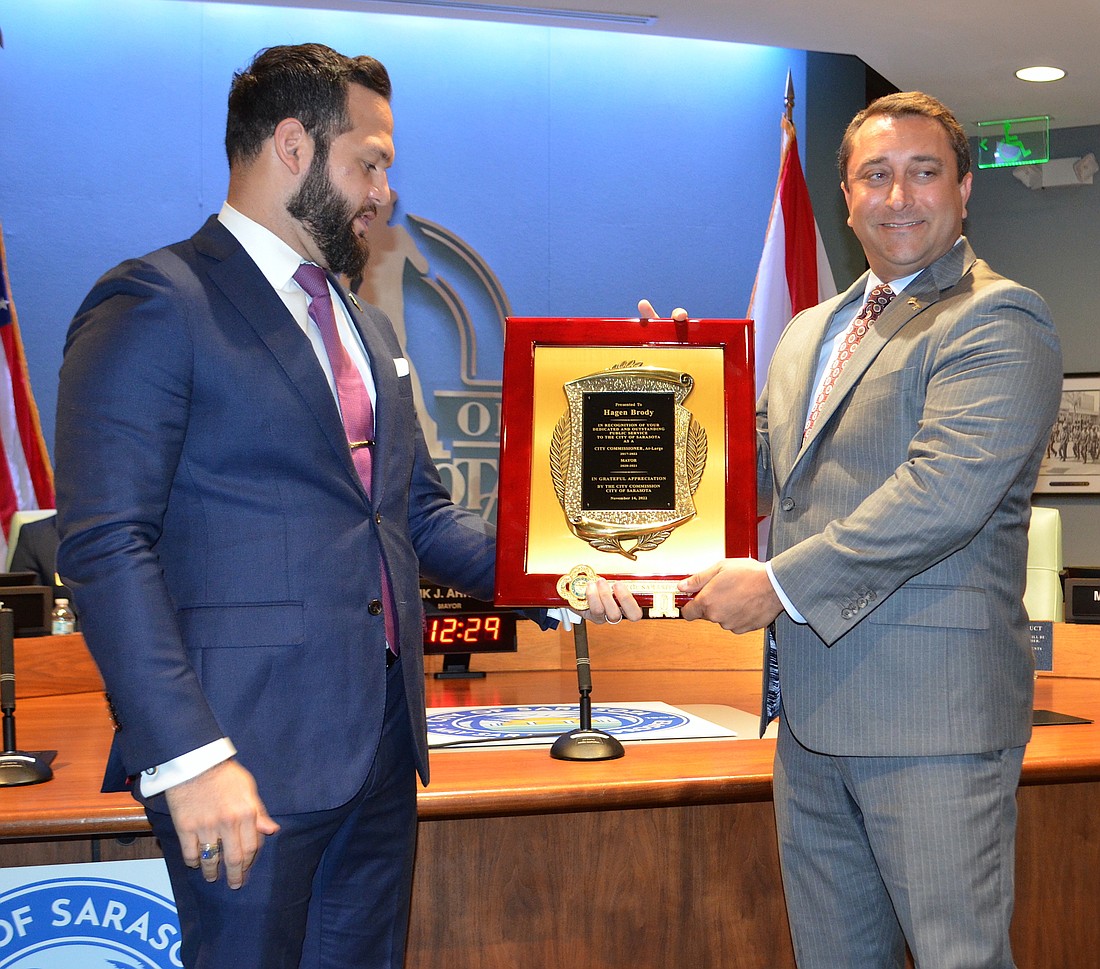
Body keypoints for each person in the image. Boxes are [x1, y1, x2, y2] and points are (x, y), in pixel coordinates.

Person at [55, 43, 634, 969]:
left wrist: (568, 568)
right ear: (292, 145)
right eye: (369, 161)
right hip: (240, 759)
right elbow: (104, 545)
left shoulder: (363, 322)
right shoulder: (156, 302)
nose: (384, 191)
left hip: (377, 752)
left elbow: (417, 518)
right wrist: (189, 755)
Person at [645, 91, 1062, 967]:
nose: (899, 196)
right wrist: (663, 394)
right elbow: (750, 476)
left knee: (960, 959)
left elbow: (941, 493)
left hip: (934, 723)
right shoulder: (808, 331)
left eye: (923, 173)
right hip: (811, 720)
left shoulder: (999, 317)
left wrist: (778, 582)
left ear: (963, 190)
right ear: (845, 197)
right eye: (877, 175)